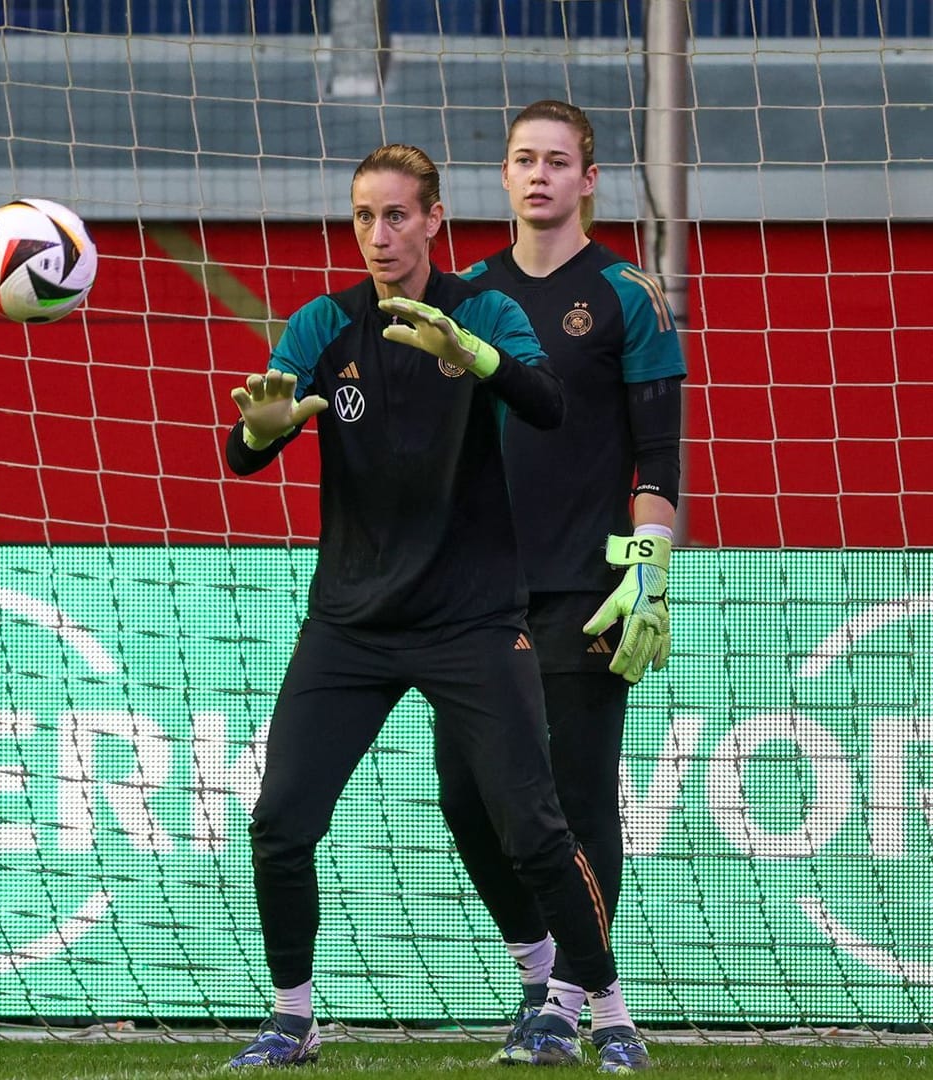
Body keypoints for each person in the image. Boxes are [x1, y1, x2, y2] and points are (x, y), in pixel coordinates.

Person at [223, 144, 637, 1070]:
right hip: (351, 623)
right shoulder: (324, 323)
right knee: (281, 819)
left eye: (399, 215)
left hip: (474, 619)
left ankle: (604, 1012)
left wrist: (473, 354)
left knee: (533, 826)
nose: (380, 234)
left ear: (436, 220)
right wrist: (261, 427)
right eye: (365, 216)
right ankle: (293, 1017)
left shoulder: (484, 310)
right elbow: (247, 448)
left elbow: (547, 405)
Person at [435, 100, 685, 1073]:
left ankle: (572, 1004)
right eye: (521, 160)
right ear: (502, 178)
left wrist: (651, 573)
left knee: (578, 803)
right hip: (472, 599)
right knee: (466, 797)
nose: (538, 175)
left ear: (589, 180)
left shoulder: (628, 296)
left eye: (557, 162)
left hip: (587, 587)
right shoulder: (467, 299)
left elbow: (659, 464)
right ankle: (542, 968)